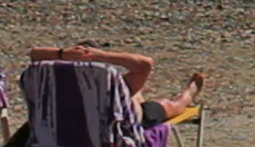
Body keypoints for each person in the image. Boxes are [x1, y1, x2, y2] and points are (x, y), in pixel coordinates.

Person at [26, 44, 207, 129]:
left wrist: (62, 54)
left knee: (132, 90)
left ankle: (138, 95)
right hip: (123, 121)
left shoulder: (55, 85)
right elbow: (145, 63)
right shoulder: (111, 87)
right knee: (170, 105)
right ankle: (188, 95)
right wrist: (102, 56)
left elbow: (34, 54)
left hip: (90, 116)